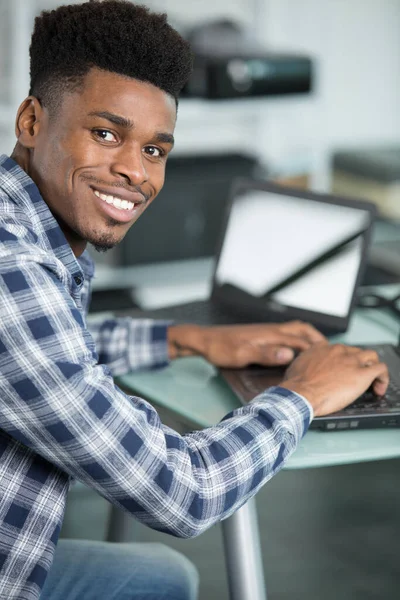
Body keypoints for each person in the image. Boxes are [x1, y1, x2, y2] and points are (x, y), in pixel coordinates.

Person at [0, 1, 389, 599]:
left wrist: (186, 338)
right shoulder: (11, 270)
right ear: (31, 121)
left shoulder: (21, 226)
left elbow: (52, 354)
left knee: (162, 578)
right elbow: (183, 492)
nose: (135, 171)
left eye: (155, 150)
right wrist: (304, 392)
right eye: (106, 134)